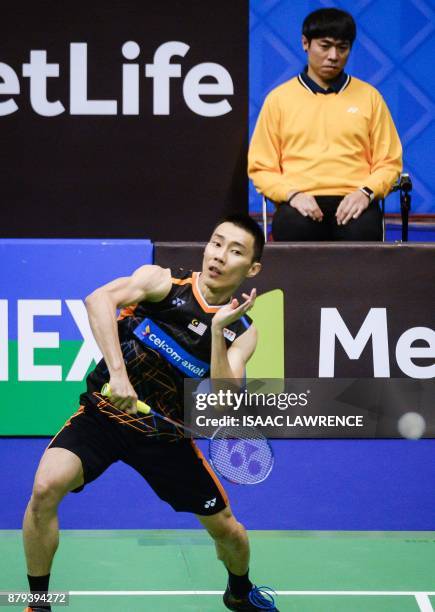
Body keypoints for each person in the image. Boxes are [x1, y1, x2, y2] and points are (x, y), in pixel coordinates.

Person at [22, 213, 280, 612]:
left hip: (167, 438)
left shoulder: (243, 331)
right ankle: (37, 603)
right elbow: (98, 300)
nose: (219, 256)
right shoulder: (164, 283)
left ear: (253, 267)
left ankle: (239, 591)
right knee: (44, 488)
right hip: (105, 415)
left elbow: (224, 400)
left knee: (230, 533)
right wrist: (120, 378)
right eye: (216, 243)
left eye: (235, 251)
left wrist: (215, 331)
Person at [248, 8, 403, 241]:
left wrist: (365, 193)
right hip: (298, 200)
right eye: (325, 45)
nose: (334, 56)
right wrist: (292, 195)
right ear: (305, 43)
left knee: (362, 230)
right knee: (294, 227)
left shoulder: (370, 97)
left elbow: (389, 162)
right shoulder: (279, 99)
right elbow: (261, 167)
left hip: (355, 199)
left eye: (342, 48)